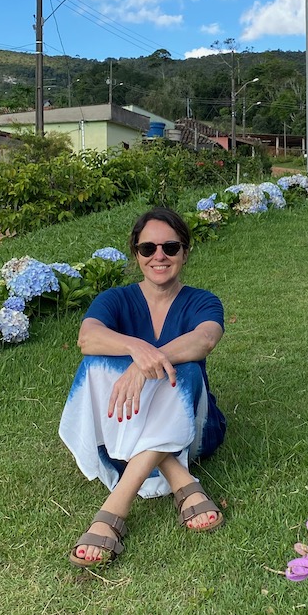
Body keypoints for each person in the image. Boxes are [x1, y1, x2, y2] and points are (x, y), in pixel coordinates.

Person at [59, 207, 227, 567]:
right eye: (148, 248)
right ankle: (180, 479)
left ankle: (115, 508)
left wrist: (146, 364)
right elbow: (88, 338)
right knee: (94, 365)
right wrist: (136, 348)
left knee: (186, 371)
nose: (159, 256)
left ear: (185, 252)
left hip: (193, 426)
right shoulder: (115, 299)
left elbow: (205, 340)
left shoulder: (203, 300)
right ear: (136, 254)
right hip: (126, 420)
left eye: (170, 247)